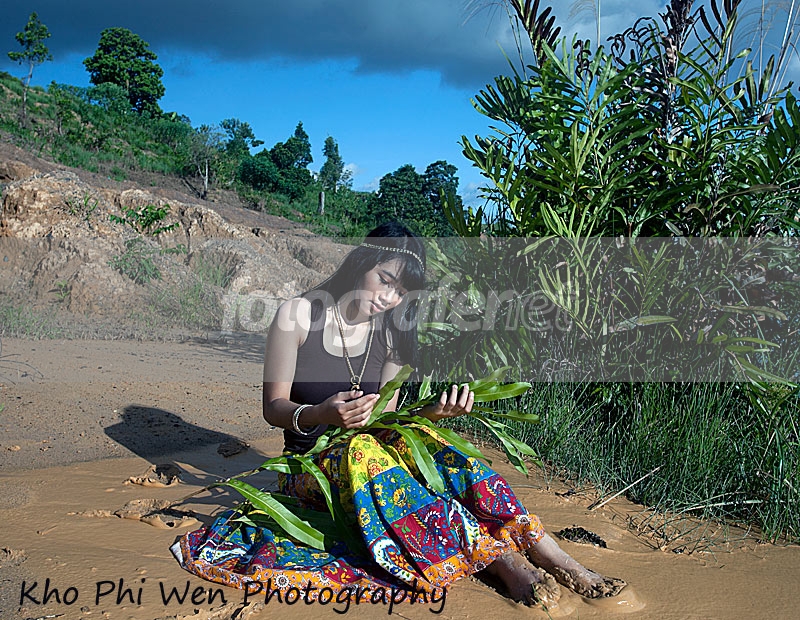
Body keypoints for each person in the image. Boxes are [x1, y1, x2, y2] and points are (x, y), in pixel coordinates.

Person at [174, 222, 626, 608]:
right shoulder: (298, 315)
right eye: (384, 280)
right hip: (310, 471)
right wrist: (321, 413)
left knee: (444, 453)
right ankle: (503, 562)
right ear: (361, 262)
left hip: (370, 455)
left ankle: (553, 555)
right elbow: (273, 408)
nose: (388, 297)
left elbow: (386, 422)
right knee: (365, 455)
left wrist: (433, 413)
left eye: (400, 292)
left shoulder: (392, 333)